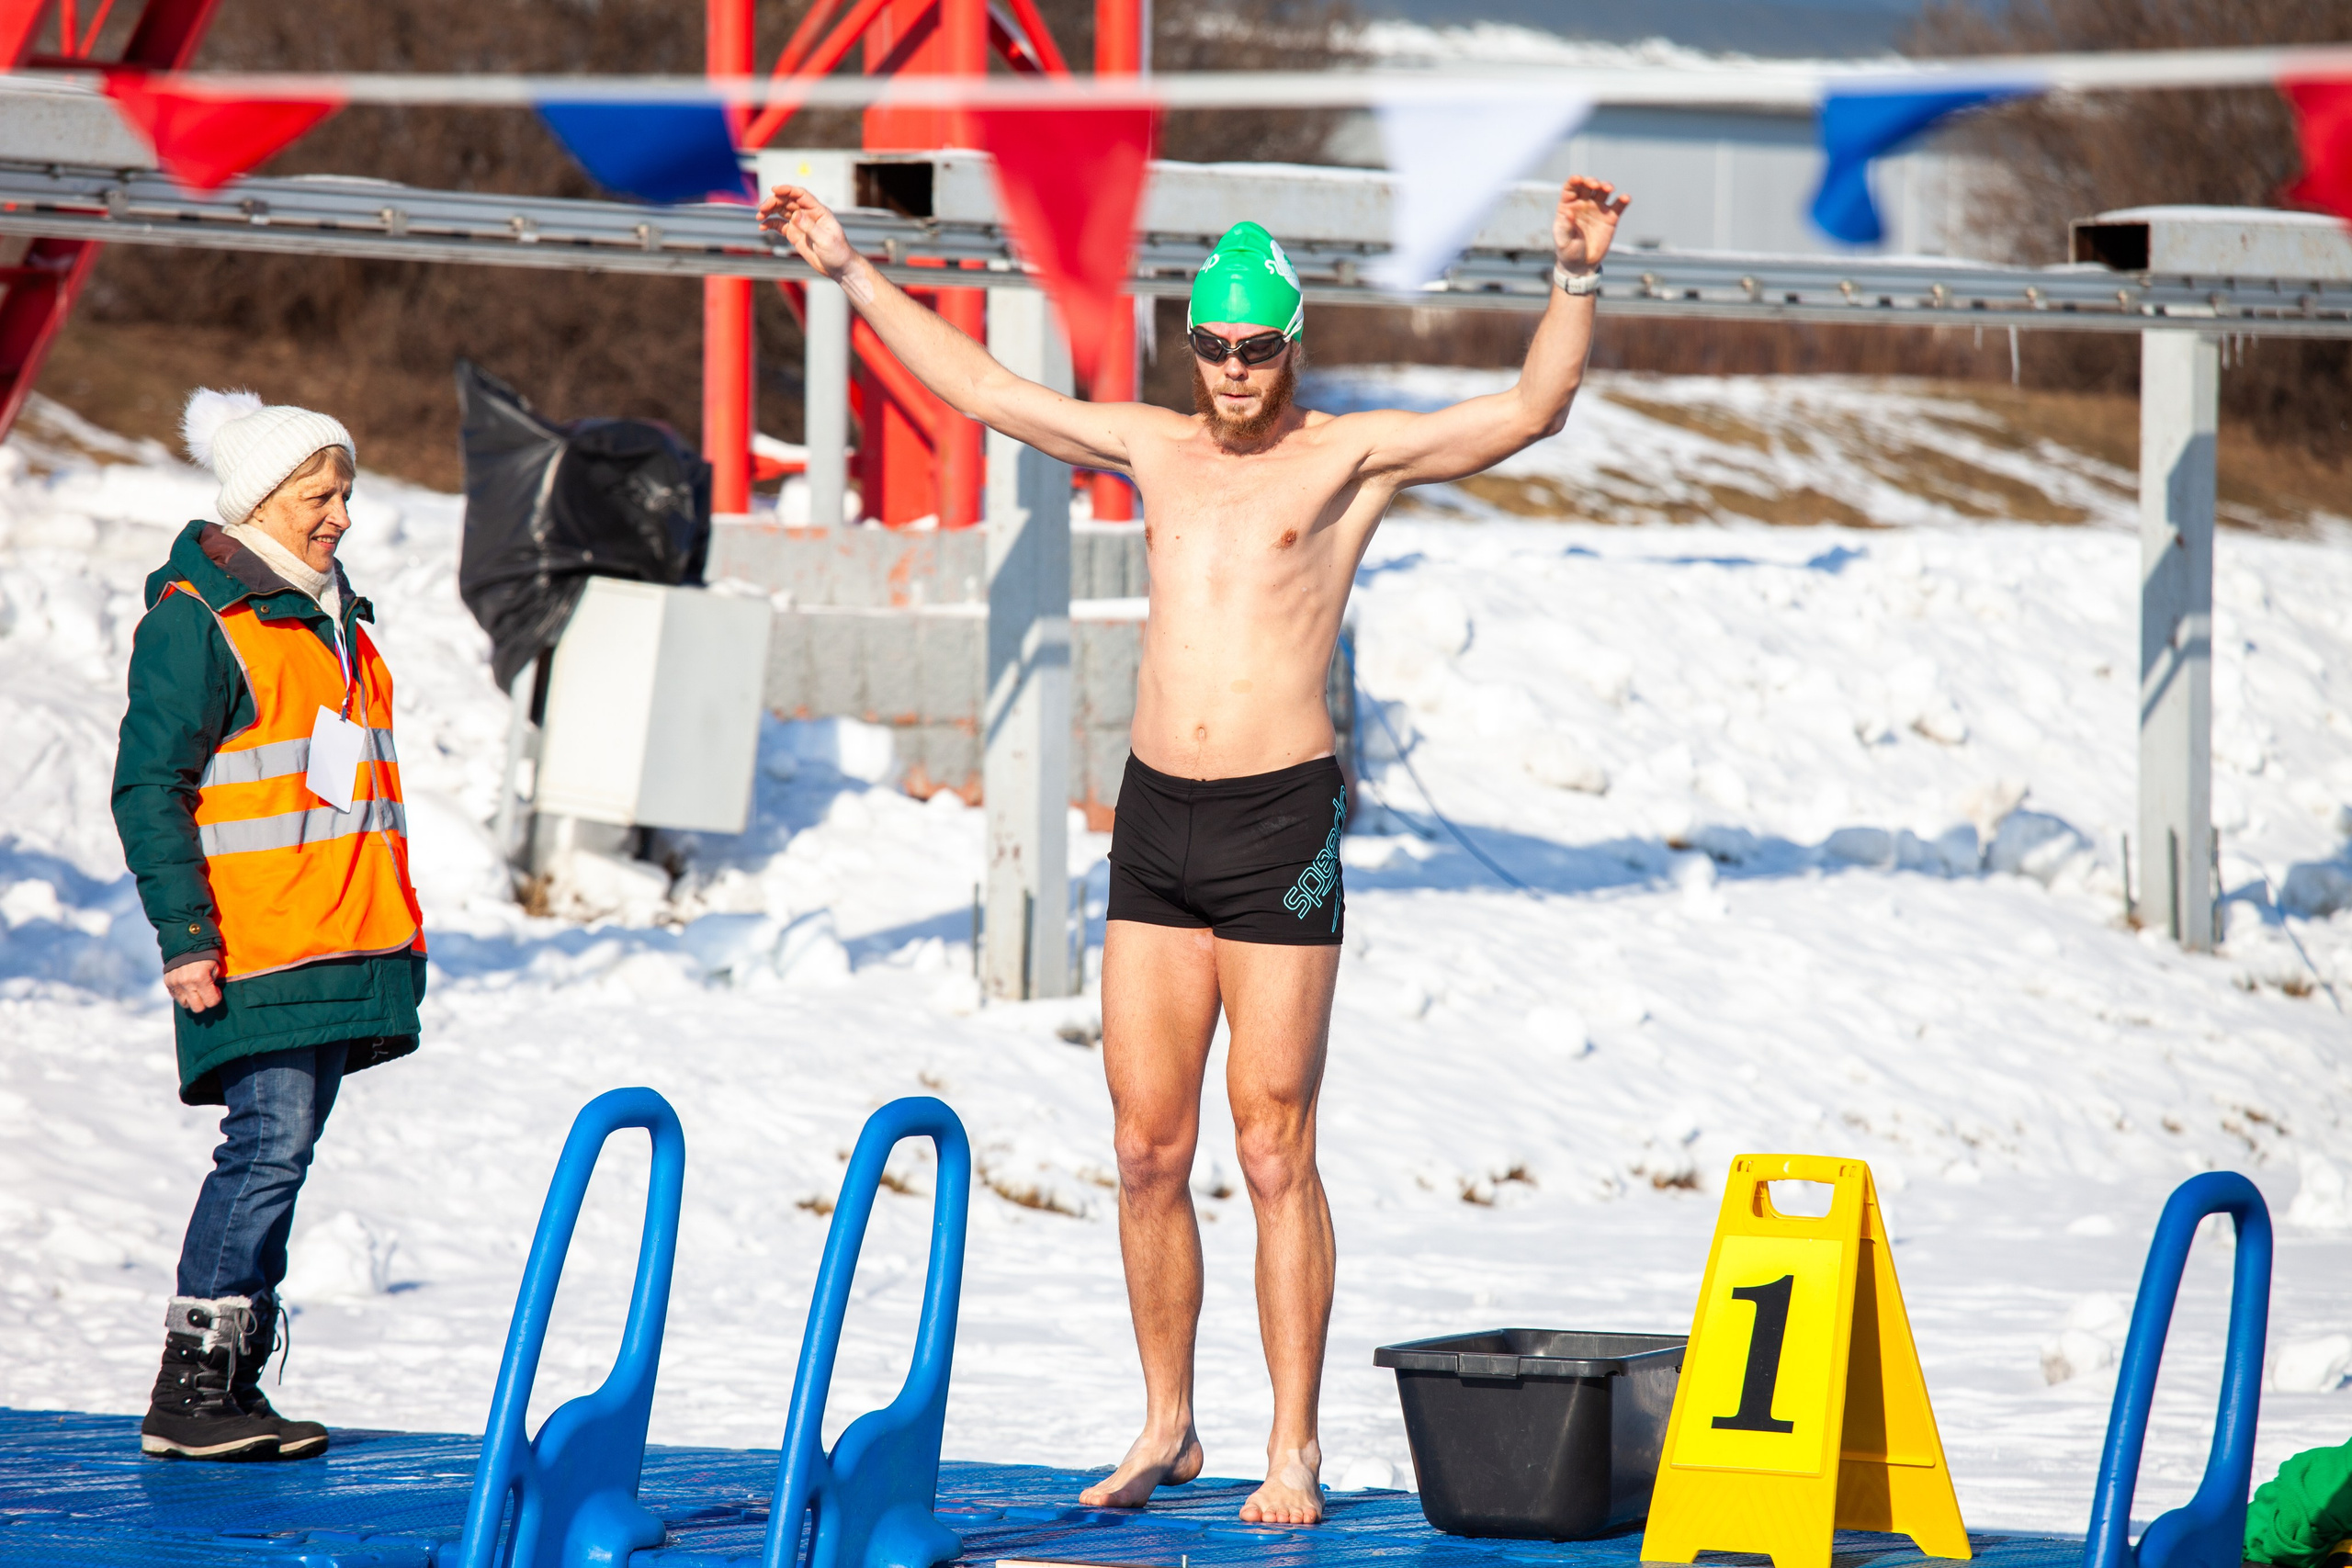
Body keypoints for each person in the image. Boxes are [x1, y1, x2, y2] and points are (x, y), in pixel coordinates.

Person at [759, 174, 1628, 1523]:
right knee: (1145, 1148)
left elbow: (1530, 409)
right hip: (1156, 819)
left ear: (1293, 345)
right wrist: (849, 269)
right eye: (1212, 346)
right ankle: (1168, 1422)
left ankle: (1293, 1445)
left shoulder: (1347, 459)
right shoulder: (1154, 446)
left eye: (1255, 347)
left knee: (1273, 1144)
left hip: (1280, 823)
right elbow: (984, 390)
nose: (1231, 369)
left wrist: (1573, 275)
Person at [112, 389, 427, 1461]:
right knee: (266, 1148)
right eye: (317, 495)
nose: (341, 514)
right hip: (258, 942)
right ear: (258, 500)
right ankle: (190, 1389)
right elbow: (149, 786)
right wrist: (186, 938)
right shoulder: (200, 620)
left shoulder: (332, 622)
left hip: (339, 938)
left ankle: (232, 1381)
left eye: (345, 492)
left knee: (282, 1159)